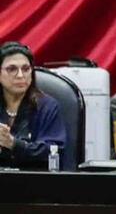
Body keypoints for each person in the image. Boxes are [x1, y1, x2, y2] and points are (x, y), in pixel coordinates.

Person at [0, 41, 66, 170]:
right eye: (12, 69)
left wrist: (13, 143)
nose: (20, 75)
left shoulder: (47, 107)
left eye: (25, 69)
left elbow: (55, 151)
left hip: (35, 183)